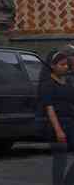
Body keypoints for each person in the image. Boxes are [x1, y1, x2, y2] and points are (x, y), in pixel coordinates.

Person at [41, 50, 74, 184]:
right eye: (62, 64)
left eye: (66, 65)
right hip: (57, 125)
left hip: (70, 123)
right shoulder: (48, 84)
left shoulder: (67, 83)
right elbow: (49, 109)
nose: (65, 67)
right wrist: (58, 130)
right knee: (60, 160)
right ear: (53, 66)